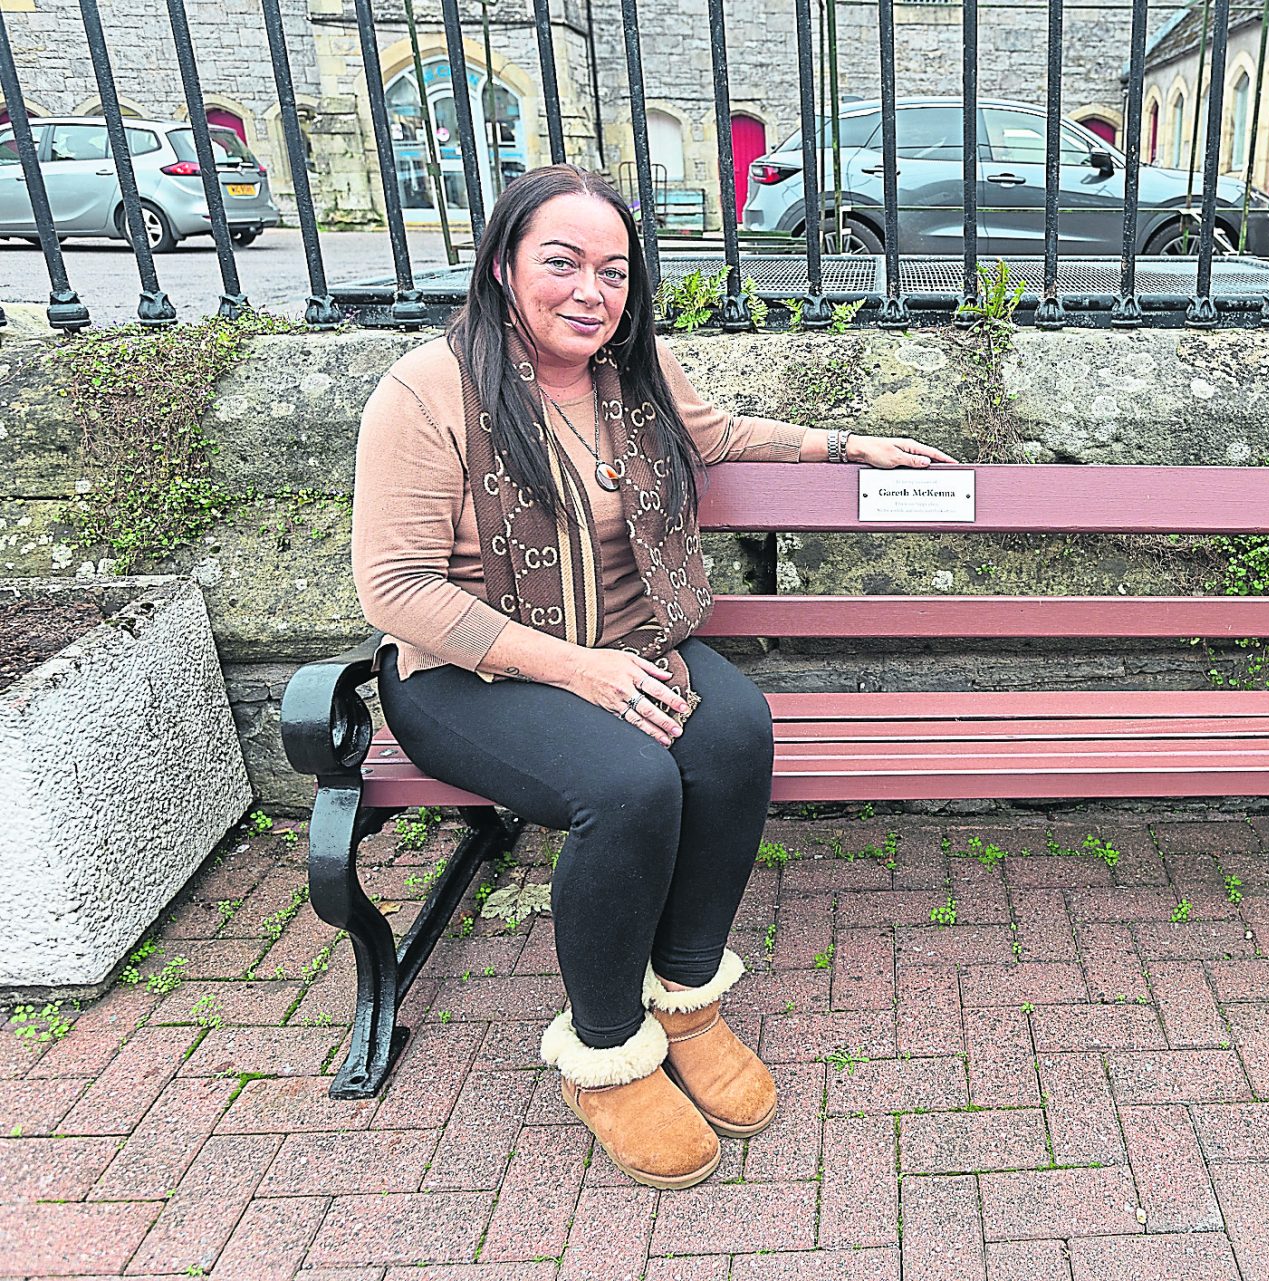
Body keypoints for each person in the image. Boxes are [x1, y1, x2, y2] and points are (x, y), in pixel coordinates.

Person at [351, 163, 955, 1190]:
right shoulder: (427, 391)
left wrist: (843, 444)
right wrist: (576, 671)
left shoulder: (632, 370)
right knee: (627, 786)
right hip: (473, 672)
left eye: (615, 272)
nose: (592, 291)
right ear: (504, 266)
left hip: (630, 646)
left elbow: (714, 435)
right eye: (563, 262)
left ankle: (686, 999)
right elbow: (395, 589)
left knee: (735, 736)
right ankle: (606, 1052)